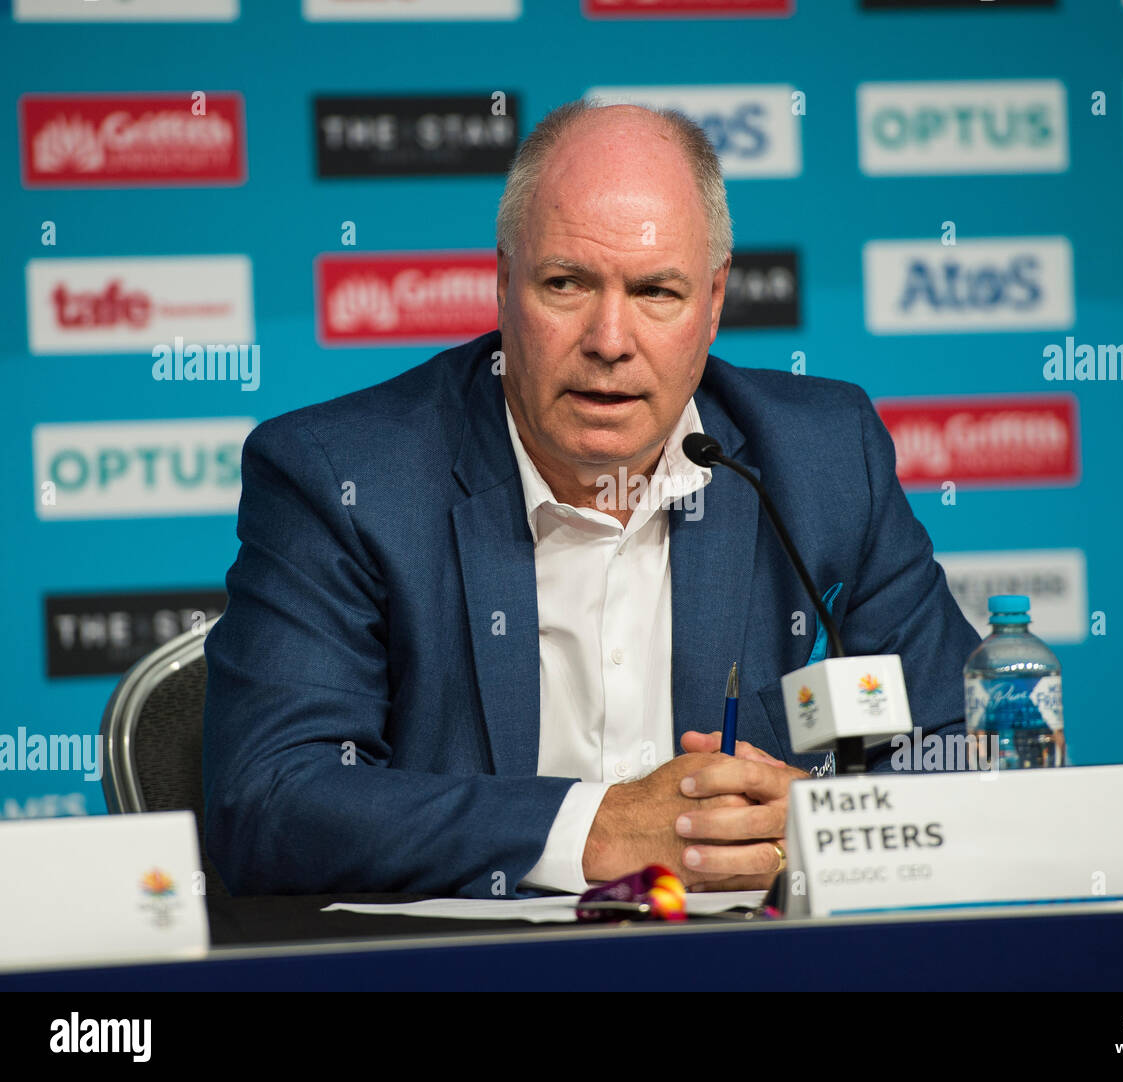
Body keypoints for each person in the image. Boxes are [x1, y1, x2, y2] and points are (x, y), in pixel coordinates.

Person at [202, 100, 978, 899]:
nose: (610, 341)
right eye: (566, 284)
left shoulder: (822, 461)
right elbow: (268, 799)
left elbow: (964, 749)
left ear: (714, 301)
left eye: (656, 292)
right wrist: (597, 828)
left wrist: (819, 821)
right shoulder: (346, 479)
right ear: (504, 283)